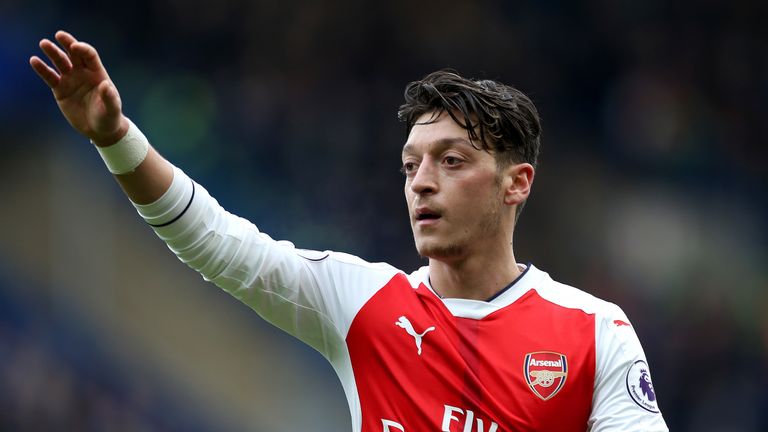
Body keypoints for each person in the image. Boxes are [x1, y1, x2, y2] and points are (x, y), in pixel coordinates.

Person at [30, 30, 669, 432]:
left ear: (516, 183)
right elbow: (216, 241)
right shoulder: (362, 303)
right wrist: (115, 139)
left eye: (451, 161)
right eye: (410, 165)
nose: (420, 182)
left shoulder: (593, 333)